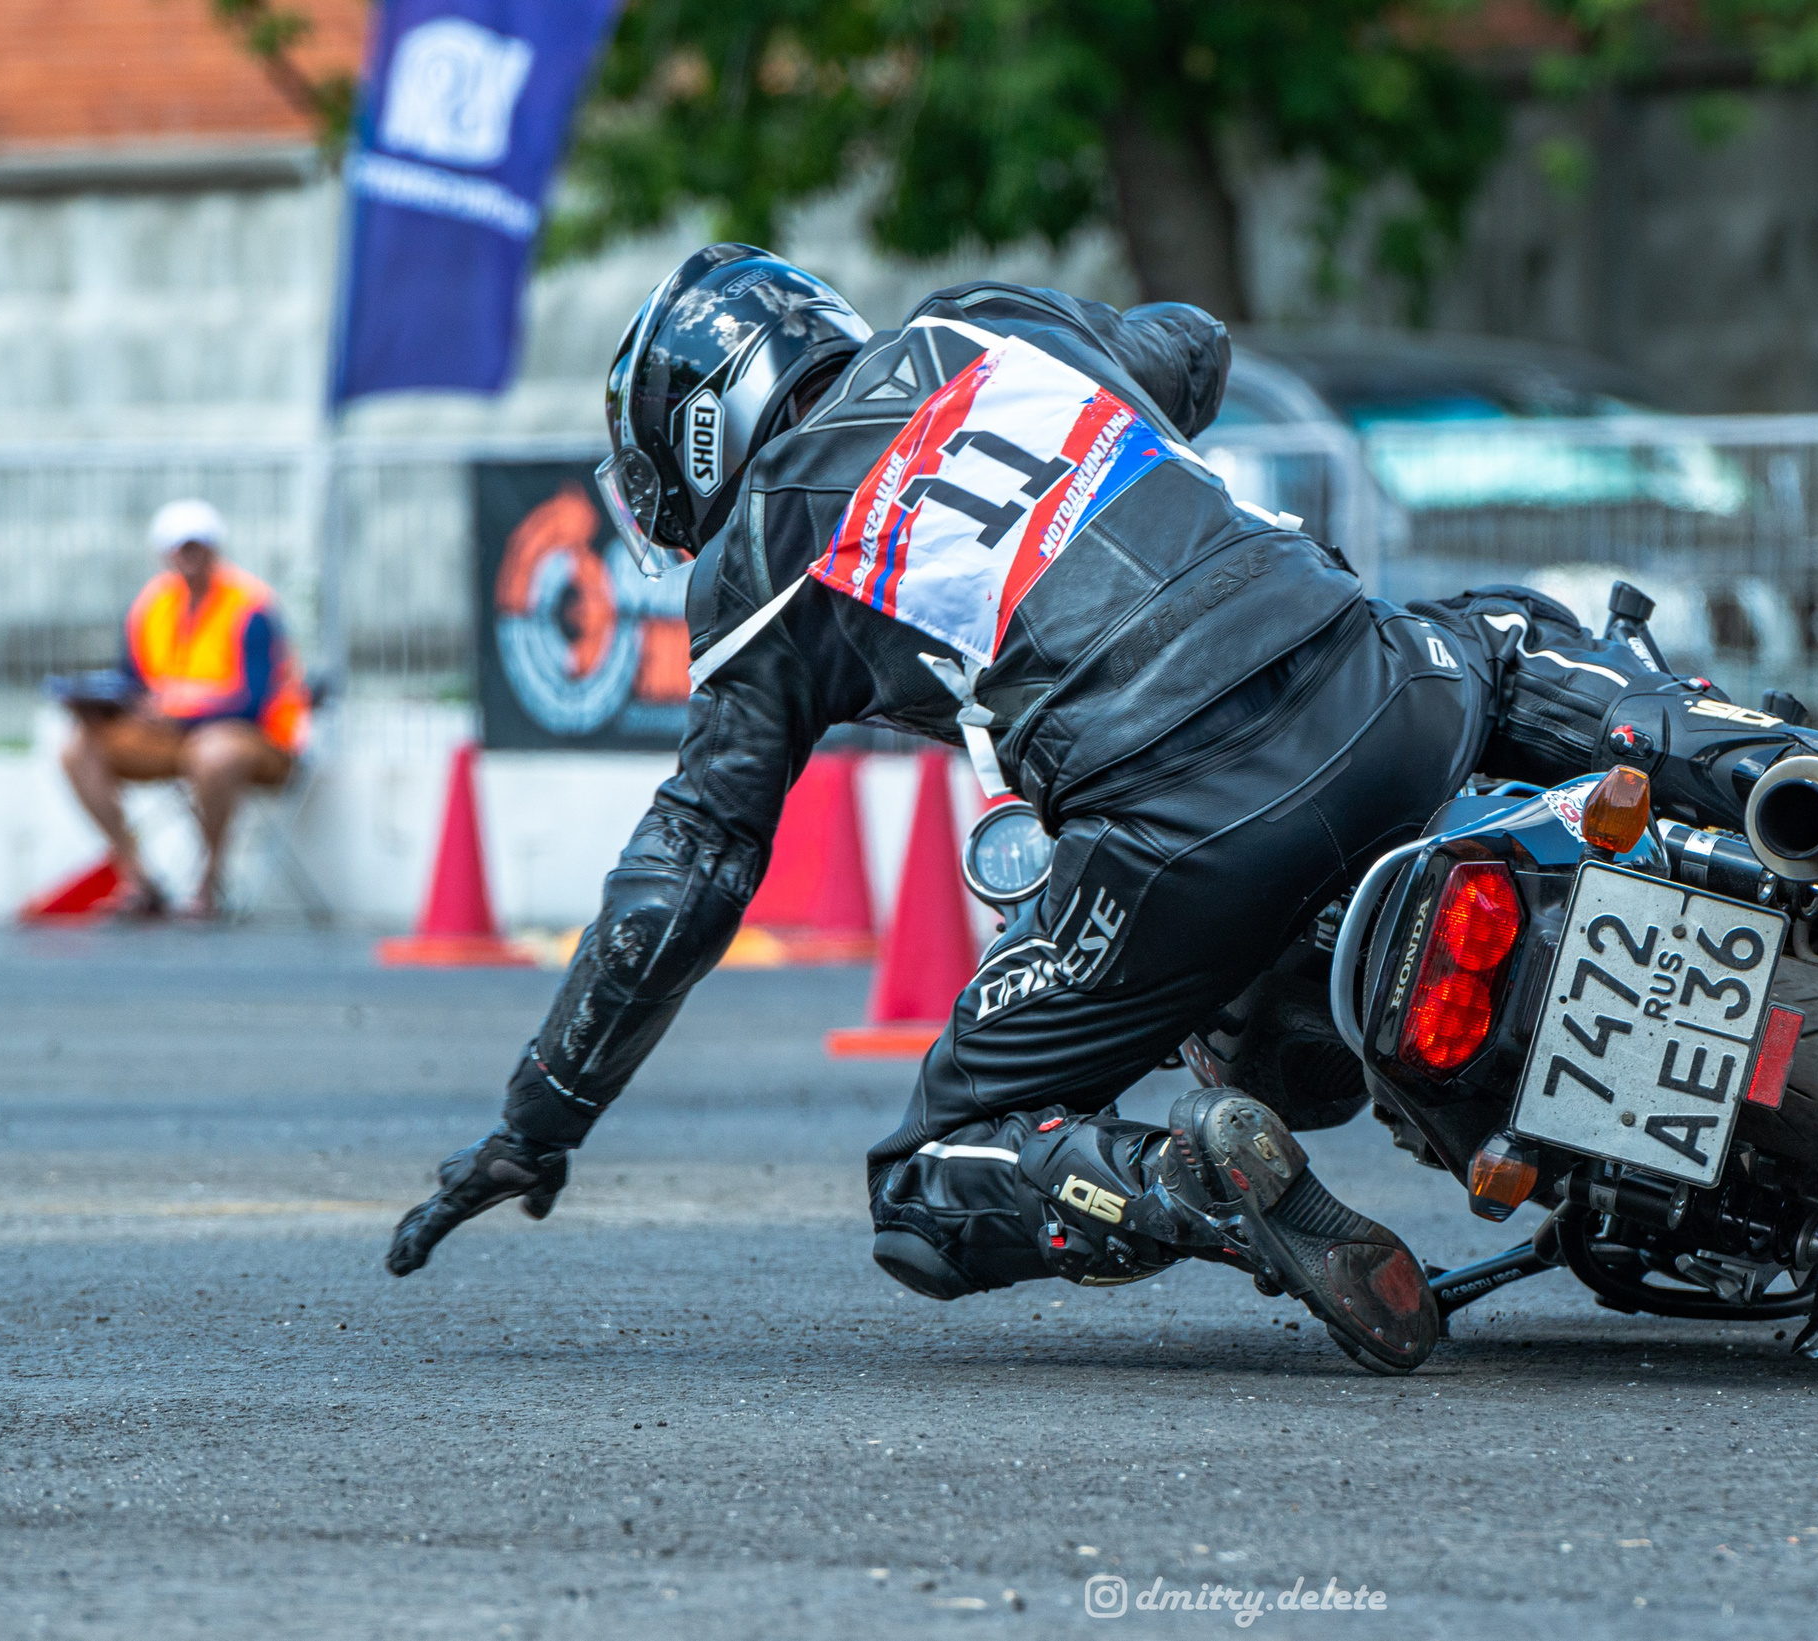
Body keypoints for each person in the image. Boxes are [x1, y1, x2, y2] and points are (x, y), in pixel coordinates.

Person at [380, 245, 1740, 1374]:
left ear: (700, 427)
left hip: (1181, 834)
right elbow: (1193, 345)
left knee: (927, 1181)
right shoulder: (984, 326)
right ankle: (1799, 781)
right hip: (1376, 691)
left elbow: (690, 866)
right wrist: (1120, 374)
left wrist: (540, 1117)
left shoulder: (756, 569)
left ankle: (1187, 1178)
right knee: (1510, 636)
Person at [58, 499, 311, 920]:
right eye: (182, 548)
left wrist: (179, 717)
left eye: (199, 547)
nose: (191, 558)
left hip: (256, 741)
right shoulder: (152, 606)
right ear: (166, 553)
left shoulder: (250, 607)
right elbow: (134, 682)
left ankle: (209, 884)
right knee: (79, 748)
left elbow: (255, 702)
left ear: (215, 550)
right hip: (176, 739)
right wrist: (104, 707)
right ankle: (138, 879)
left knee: (213, 753)